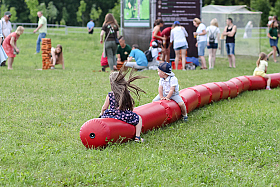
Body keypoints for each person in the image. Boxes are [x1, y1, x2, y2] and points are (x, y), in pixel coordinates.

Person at [100, 67, 146, 142]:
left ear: (111, 84)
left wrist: (101, 115)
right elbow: (130, 105)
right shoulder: (126, 93)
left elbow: (104, 108)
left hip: (111, 115)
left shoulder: (110, 95)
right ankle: (137, 137)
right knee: (139, 118)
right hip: (123, 115)